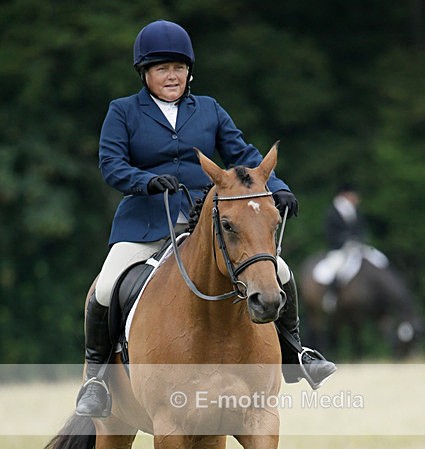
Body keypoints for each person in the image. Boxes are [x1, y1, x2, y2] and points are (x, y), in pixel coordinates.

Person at [76, 20, 336, 417]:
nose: (171, 75)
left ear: (189, 71)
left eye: (178, 67)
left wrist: (277, 185)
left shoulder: (209, 109)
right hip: (146, 222)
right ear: (145, 73)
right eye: (162, 68)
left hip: (210, 222)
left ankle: (296, 353)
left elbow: (245, 153)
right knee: (107, 287)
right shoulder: (123, 111)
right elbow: (111, 165)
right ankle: (95, 380)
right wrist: (145, 181)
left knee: (279, 271)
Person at [324, 182, 368, 251]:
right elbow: (331, 234)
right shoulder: (333, 213)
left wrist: (358, 239)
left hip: (357, 246)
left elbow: (361, 230)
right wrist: (347, 240)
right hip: (338, 249)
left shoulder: (356, 212)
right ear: (345, 194)